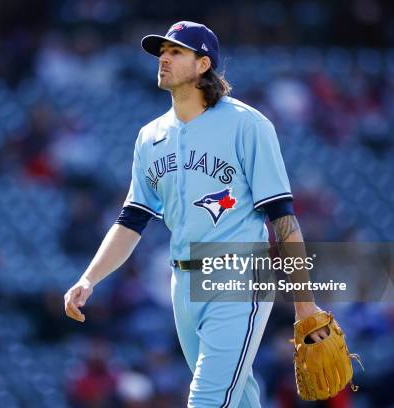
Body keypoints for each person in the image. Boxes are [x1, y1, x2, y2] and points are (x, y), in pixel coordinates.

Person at [64, 21, 328, 407]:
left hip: (238, 276)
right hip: (182, 283)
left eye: (175, 52)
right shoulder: (150, 136)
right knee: (238, 399)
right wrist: (89, 278)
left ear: (203, 64)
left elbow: (282, 216)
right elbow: (132, 221)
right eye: (162, 52)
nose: (164, 59)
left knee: (206, 399)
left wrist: (304, 302)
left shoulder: (247, 125)